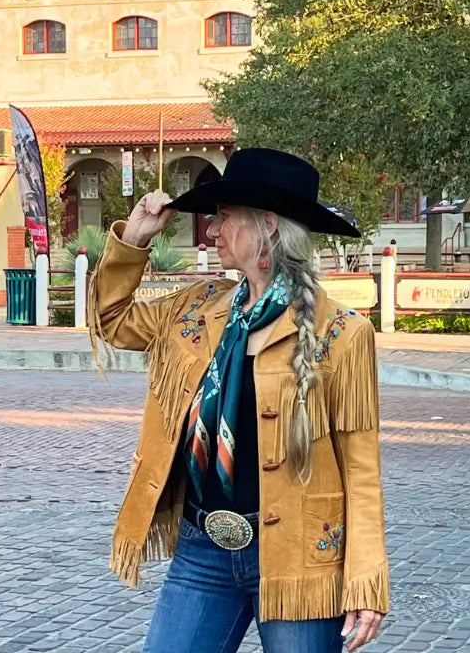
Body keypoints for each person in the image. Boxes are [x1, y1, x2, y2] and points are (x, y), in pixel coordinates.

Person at [89, 148, 389, 653]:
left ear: (267, 225)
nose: (211, 231)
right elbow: (111, 320)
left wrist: (365, 577)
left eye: (224, 218)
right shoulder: (196, 309)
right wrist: (134, 240)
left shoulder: (341, 333)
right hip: (201, 548)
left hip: (299, 556)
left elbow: (361, 470)